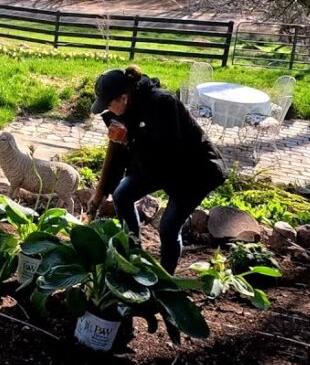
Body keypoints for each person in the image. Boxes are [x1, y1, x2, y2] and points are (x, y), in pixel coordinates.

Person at [89, 65, 225, 273]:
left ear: (123, 97)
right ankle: (132, 251)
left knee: (169, 227)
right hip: (154, 165)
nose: (107, 110)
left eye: (108, 105)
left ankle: (164, 278)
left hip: (193, 171)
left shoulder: (162, 103)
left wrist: (129, 140)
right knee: (122, 195)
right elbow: (119, 157)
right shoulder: (124, 111)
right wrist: (100, 194)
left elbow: (166, 153)